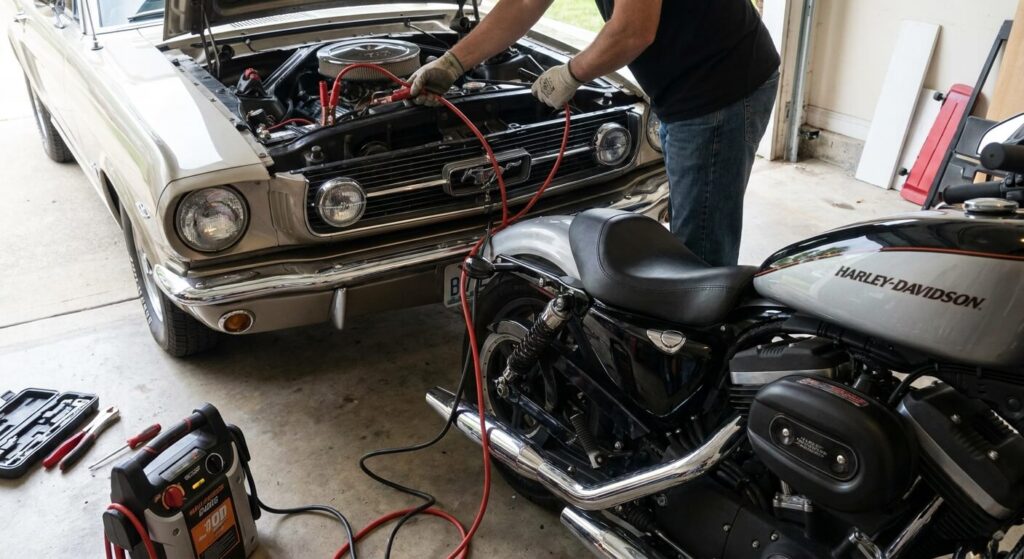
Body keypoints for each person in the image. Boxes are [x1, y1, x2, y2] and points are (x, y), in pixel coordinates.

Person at [409, 0, 780, 267]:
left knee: (699, 262)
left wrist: (572, 73)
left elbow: (633, 30)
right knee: (688, 242)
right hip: (682, 88)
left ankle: (695, 368)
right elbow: (524, 2)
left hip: (721, 90)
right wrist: (454, 62)